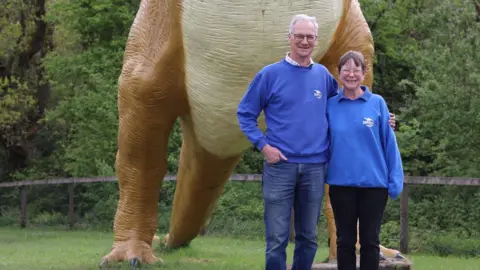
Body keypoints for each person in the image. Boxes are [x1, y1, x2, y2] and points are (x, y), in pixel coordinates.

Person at [325, 50, 404, 270]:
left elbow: (390, 144)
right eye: (346, 70)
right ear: (339, 73)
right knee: (345, 242)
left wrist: (395, 180)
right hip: (341, 185)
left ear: (363, 73)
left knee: (370, 242)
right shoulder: (330, 105)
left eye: (356, 69)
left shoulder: (377, 103)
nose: (351, 74)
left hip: (374, 186)